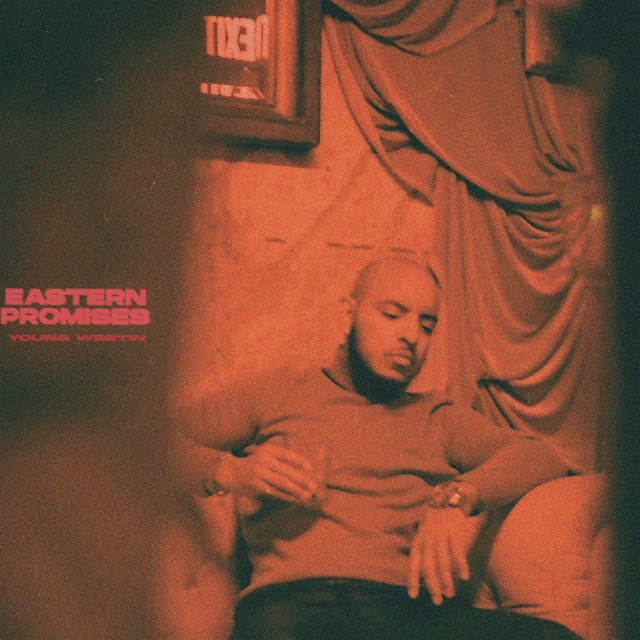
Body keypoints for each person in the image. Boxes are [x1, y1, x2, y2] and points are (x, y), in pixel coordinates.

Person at [177, 256, 581, 640]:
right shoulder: (280, 392)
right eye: (392, 314)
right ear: (349, 313)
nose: (411, 336)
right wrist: (228, 471)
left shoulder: (437, 418)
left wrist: (457, 498)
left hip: (406, 614)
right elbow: (152, 440)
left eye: (427, 325)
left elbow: (539, 454)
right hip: (294, 607)